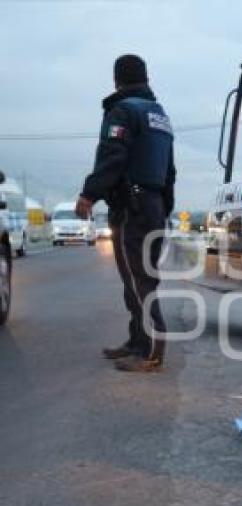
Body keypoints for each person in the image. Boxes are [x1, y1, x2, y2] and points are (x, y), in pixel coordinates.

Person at [75, 54, 175, 373]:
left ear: (117, 80)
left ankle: (150, 352)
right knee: (136, 277)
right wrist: (163, 207)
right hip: (153, 204)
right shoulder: (160, 115)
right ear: (146, 78)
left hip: (132, 207)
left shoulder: (123, 110)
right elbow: (170, 170)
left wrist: (89, 194)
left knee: (138, 279)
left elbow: (112, 156)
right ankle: (136, 340)